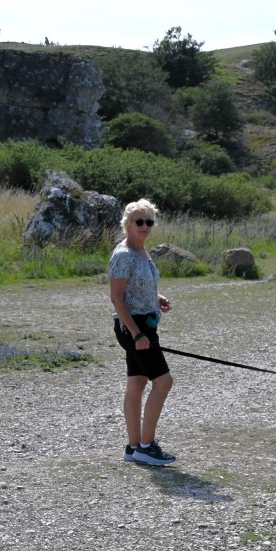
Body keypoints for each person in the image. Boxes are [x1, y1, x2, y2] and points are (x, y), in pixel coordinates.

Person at [108, 199, 177, 466]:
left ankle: (133, 446)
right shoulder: (123, 255)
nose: (145, 226)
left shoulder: (141, 251)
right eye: (139, 221)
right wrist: (137, 334)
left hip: (145, 324)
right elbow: (117, 298)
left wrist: (157, 298)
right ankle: (147, 447)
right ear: (127, 224)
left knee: (137, 383)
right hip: (134, 327)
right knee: (164, 382)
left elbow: (137, 288)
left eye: (149, 221)